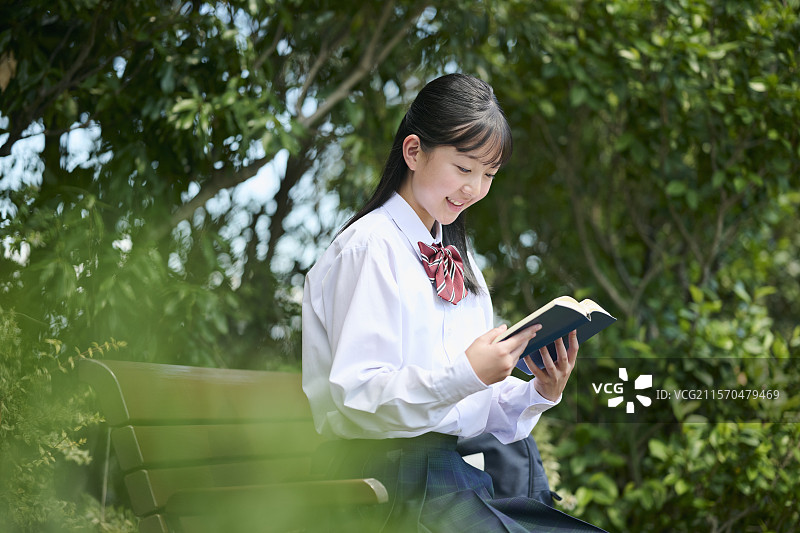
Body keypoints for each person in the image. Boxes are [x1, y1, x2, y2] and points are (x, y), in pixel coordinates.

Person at [302, 73, 606, 532]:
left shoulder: (462, 265)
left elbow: (470, 406)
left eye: (489, 174)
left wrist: (540, 391)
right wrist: (467, 373)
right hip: (378, 483)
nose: (475, 189)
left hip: (447, 478)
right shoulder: (369, 248)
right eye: (465, 169)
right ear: (413, 152)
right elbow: (359, 396)